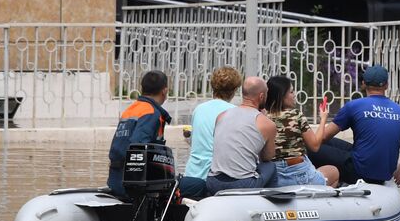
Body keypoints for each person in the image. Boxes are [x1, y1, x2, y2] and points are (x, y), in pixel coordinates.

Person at [320, 65, 400, 185]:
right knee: (332, 144)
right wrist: (397, 172)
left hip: (359, 172)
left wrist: (322, 119)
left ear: (363, 84)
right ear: (387, 85)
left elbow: (323, 137)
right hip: (383, 174)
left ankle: (309, 177)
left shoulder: (354, 106)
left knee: (310, 145)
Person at [263, 75, 339, 187]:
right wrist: (323, 119)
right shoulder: (296, 115)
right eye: (291, 92)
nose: (294, 95)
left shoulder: (262, 118)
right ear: (282, 95)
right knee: (334, 172)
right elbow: (315, 146)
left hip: (274, 175)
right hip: (299, 172)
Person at [206, 76, 278, 194]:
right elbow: (267, 157)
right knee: (270, 167)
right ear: (261, 96)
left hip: (213, 182)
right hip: (243, 184)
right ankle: (270, 205)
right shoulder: (266, 123)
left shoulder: (221, 116)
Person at [107, 70, 172, 199]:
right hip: (133, 186)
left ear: (142, 88)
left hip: (116, 180)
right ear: (164, 91)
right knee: (193, 185)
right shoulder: (152, 113)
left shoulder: (131, 109)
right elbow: (138, 147)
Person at [180, 66, 242, 198]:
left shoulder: (199, 109)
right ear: (234, 90)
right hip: (216, 177)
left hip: (193, 174)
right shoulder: (234, 112)